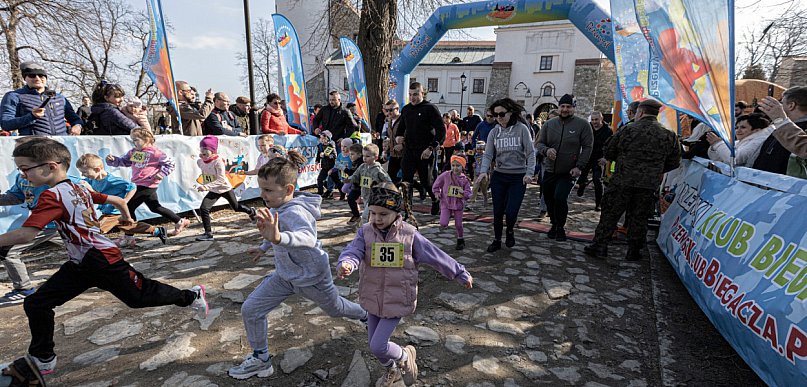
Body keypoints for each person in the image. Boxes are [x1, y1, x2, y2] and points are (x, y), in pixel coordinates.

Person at [1, 137, 208, 376]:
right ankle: (42, 357)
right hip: (81, 263)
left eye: (25, 169)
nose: (23, 175)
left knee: (139, 297)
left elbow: (27, 234)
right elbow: (118, 200)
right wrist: (126, 218)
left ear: (50, 166)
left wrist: (126, 220)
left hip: (102, 260)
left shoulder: (53, 195)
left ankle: (191, 296)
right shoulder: (80, 186)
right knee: (37, 303)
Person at [228, 153, 368, 380]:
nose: (263, 195)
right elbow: (275, 231)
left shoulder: (296, 211)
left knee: (335, 309)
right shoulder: (277, 206)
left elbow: (306, 238)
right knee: (251, 309)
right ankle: (261, 359)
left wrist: (277, 239)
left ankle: (364, 315)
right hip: (285, 277)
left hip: (312, 278)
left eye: (268, 190)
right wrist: (264, 247)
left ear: (289, 189)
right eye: (261, 189)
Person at [336, 184, 473, 387]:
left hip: (398, 298)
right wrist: (346, 263)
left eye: (383, 214)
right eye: (372, 213)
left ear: (396, 212)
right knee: (375, 346)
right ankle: (392, 369)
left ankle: (405, 357)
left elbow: (435, 255)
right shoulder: (365, 232)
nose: (376, 219)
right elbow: (353, 251)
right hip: (372, 296)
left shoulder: (409, 235)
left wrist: (459, 272)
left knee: (377, 345)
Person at [584, 99, 681, 261]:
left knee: (610, 214)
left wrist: (624, 162)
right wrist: (655, 169)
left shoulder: (628, 130)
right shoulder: (668, 135)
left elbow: (609, 151)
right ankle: (634, 251)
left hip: (623, 180)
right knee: (640, 217)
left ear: (640, 112)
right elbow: (674, 161)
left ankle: (600, 246)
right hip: (648, 184)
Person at [0, 137, 80, 305]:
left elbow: (73, 184)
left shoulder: (50, 176)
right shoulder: (22, 177)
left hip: (48, 223)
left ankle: (24, 289)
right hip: (47, 224)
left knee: (8, 250)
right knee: (83, 247)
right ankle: (112, 267)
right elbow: (15, 197)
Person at [106, 128, 190, 237]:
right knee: (155, 207)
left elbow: (170, 164)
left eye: (136, 140)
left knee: (129, 207)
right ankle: (179, 221)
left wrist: (161, 174)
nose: (133, 142)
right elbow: (125, 162)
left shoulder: (156, 153)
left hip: (148, 185)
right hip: (137, 183)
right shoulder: (134, 152)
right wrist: (113, 160)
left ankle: (129, 236)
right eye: (132, 140)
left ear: (146, 140)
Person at [476, 98, 536, 252]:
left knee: (511, 211)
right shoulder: (494, 132)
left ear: (510, 113)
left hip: (518, 177)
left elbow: (530, 153)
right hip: (499, 177)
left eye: (502, 114)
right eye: (495, 115)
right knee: (497, 211)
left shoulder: (522, 129)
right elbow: (488, 154)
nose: (498, 118)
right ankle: (496, 239)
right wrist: (483, 171)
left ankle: (510, 230)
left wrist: (529, 173)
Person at [76, 154, 167, 248]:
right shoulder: (92, 180)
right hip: (110, 211)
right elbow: (80, 181)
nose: (83, 175)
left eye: (85, 172)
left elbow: (132, 186)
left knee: (97, 229)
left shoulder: (112, 181)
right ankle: (157, 231)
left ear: (97, 169)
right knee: (131, 226)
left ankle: (95, 248)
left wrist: (125, 200)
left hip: (113, 212)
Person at [535, 94, 593, 242]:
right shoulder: (549, 124)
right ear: (559, 107)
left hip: (569, 171)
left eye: (568, 107)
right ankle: (554, 224)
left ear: (573, 108)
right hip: (550, 169)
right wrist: (546, 151)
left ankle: (560, 227)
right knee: (548, 198)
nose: (565, 109)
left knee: (560, 197)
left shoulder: (583, 125)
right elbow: (539, 143)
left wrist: (579, 166)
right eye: (562, 106)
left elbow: (587, 147)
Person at [194, 136, 257, 241]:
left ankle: (251, 211)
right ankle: (208, 233)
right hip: (214, 190)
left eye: (206, 150)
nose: (203, 153)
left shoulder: (218, 162)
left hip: (224, 188)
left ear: (213, 151)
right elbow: (206, 171)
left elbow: (221, 180)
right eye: (201, 150)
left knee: (236, 207)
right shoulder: (200, 162)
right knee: (204, 208)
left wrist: (206, 186)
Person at [395, 82, 445, 215]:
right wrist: (398, 138)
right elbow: (401, 129)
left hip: (425, 151)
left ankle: (435, 200)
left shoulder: (430, 108)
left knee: (426, 181)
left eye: (416, 94)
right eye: (410, 95)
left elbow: (441, 131)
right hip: (409, 150)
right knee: (406, 180)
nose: (412, 98)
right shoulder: (406, 109)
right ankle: (408, 208)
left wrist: (431, 148)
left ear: (423, 93)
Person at [0, 62, 82, 136]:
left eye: (41, 75)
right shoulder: (14, 96)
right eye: (32, 75)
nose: (37, 78)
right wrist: (31, 116)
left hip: (61, 146)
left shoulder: (59, 97)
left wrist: (77, 126)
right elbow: (6, 124)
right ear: (25, 78)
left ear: (46, 78)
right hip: (32, 146)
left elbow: (75, 119)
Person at [432, 156, 472, 250]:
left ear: (462, 167)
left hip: (458, 205)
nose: (455, 168)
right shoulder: (445, 175)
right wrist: (437, 193)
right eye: (453, 165)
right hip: (446, 203)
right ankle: (446, 218)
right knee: (443, 223)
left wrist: (464, 193)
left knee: (458, 224)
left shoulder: (465, 179)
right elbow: (436, 186)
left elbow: (469, 193)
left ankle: (460, 239)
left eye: (458, 165)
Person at [706, 113, 772, 167]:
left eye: (743, 127)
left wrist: (718, 144)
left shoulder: (759, 141)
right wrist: (714, 147)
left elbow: (736, 159)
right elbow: (719, 158)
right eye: (737, 128)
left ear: (756, 130)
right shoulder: (740, 141)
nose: (738, 131)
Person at [577, 111, 612, 210]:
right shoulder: (588, 127)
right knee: (582, 176)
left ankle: (598, 203)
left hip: (599, 158)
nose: (594, 122)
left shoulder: (608, 130)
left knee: (597, 180)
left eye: (596, 119)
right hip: (587, 156)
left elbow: (610, 146)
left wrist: (606, 158)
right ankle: (582, 184)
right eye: (592, 120)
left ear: (601, 119)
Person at [349, 144, 392, 224]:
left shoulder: (378, 169)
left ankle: (364, 231)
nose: (364, 158)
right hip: (365, 195)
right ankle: (374, 229)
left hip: (375, 197)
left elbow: (388, 180)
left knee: (365, 216)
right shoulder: (362, 167)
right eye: (363, 156)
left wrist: (385, 189)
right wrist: (349, 179)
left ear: (375, 157)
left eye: (368, 156)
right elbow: (355, 175)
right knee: (371, 215)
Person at [758, 94, 807, 159]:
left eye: (781, 103)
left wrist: (780, 121)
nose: (778, 107)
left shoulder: (784, 125)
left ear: (791, 105)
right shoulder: (781, 126)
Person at [382, 100, 403, 182]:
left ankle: (421, 190)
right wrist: (386, 151)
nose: (388, 112)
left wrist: (403, 145)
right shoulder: (390, 121)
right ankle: (394, 194)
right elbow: (390, 139)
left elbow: (409, 136)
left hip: (403, 154)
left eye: (391, 110)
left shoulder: (403, 120)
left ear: (397, 109)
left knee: (404, 178)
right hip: (393, 154)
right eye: (387, 110)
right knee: (391, 177)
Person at [344, 143, 365, 225]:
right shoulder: (355, 162)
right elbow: (352, 173)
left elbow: (356, 174)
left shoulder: (360, 163)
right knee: (350, 198)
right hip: (356, 185)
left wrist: (349, 177)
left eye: (352, 154)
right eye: (349, 154)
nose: (350, 156)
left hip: (363, 186)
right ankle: (356, 214)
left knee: (367, 203)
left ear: (359, 155)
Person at [316, 130, 337, 198]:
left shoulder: (331, 146)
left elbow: (334, 156)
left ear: (327, 139)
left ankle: (330, 191)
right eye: (321, 138)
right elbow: (318, 154)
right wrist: (317, 160)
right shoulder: (320, 146)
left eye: (323, 138)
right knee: (320, 179)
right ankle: (320, 192)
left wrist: (325, 155)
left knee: (332, 180)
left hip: (331, 166)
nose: (321, 140)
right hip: (324, 166)